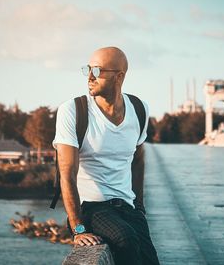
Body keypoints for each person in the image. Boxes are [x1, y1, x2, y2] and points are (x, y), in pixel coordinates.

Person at [53, 46, 160, 265]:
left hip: (127, 207)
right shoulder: (73, 111)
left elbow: (138, 159)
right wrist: (78, 229)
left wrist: (139, 205)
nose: (90, 77)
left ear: (119, 76)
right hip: (91, 207)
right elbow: (67, 175)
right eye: (88, 69)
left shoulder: (139, 109)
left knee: (150, 259)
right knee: (125, 239)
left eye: (98, 70)